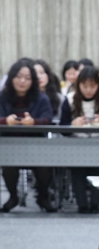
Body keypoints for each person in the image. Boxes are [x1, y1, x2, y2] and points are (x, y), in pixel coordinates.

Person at [60, 66, 99, 213]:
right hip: (76, 145)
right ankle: (81, 205)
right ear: (78, 85)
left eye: (92, 86)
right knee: (78, 173)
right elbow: (62, 127)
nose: (88, 90)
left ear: (98, 86)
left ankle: (95, 204)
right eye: (84, 86)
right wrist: (72, 125)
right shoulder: (69, 100)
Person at [0, 59, 55, 212]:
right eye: (19, 76)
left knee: (45, 166)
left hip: (36, 145)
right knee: (8, 164)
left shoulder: (41, 97)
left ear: (33, 80)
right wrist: (6, 121)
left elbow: (48, 120)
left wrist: (33, 122)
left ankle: (43, 197)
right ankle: (13, 197)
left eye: (27, 78)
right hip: (11, 145)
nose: (22, 81)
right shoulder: (2, 96)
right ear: (11, 77)